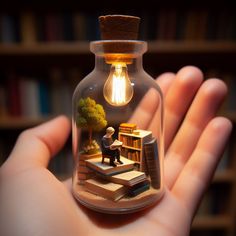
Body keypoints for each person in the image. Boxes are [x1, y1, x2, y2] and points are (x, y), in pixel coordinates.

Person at [0, 66, 232, 236]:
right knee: (111, 158)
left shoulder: (124, 115)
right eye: (110, 132)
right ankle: (113, 167)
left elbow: (112, 144)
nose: (110, 132)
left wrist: (116, 146)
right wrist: (113, 146)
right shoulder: (92, 100)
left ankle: (117, 167)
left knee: (117, 159)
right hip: (109, 155)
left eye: (111, 131)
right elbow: (107, 146)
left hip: (114, 154)